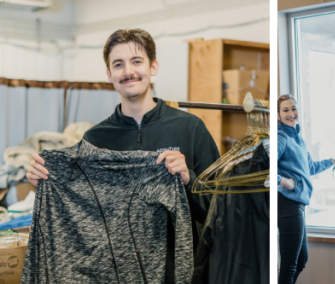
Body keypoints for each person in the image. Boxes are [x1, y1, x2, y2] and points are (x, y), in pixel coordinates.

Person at [25, 28, 219, 269]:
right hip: (115, 271)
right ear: (109, 74)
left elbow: (220, 210)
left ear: (153, 67)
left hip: (176, 270)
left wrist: (189, 179)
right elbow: (82, 212)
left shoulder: (190, 128)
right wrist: (46, 180)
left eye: (136, 61)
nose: (128, 72)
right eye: (118, 65)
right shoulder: (95, 139)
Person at [276, 95, 335, 284]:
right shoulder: (280, 138)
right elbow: (264, 168)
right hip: (287, 203)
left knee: (301, 261)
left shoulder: (297, 138)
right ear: (277, 115)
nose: (291, 114)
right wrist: (285, 181)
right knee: (290, 266)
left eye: (293, 108)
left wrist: (332, 161)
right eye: (285, 110)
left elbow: (310, 168)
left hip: (298, 204)